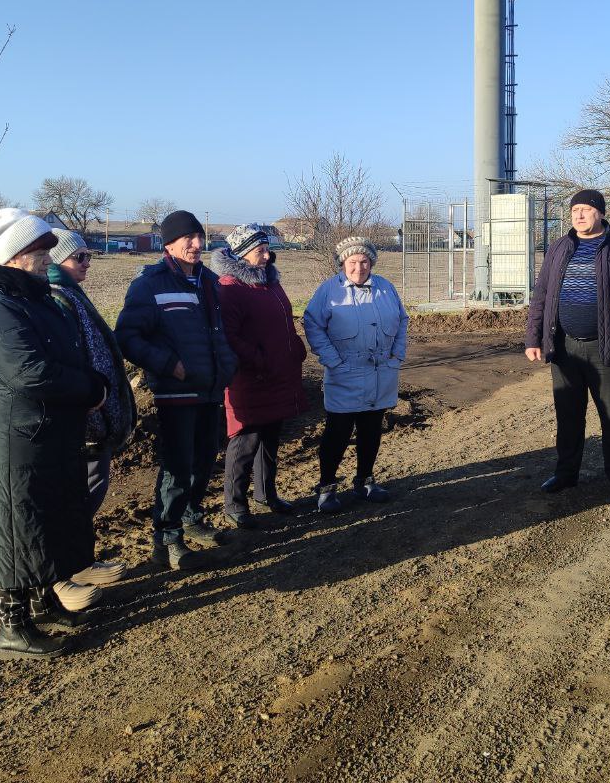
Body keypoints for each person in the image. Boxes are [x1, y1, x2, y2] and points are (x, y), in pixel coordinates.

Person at [0, 208, 107, 660]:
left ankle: (44, 606)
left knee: (47, 518)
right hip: (14, 437)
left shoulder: (34, 297)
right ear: (15, 253)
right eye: (40, 250)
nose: (48, 257)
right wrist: (90, 389)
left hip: (47, 430)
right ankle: (13, 628)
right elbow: (29, 371)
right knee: (14, 525)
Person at [116, 210, 238, 570]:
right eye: (189, 239)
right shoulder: (149, 285)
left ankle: (192, 518)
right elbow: (127, 337)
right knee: (177, 466)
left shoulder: (210, 282)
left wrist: (228, 365)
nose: (197, 245)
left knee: (203, 460)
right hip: (176, 392)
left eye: (199, 237)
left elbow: (221, 333)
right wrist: (171, 366)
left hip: (211, 388)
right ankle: (166, 538)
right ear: (169, 243)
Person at [525, 189, 610, 502]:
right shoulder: (560, 247)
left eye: (586, 210)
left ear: (600, 212)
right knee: (568, 415)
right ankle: (565, 473)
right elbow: (542, 294)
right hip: (565, 347)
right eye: (575, 211)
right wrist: (533, 337)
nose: (579, 215)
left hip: (607, 346)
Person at [48, 228, 138, 595]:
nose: (87, 263)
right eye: (79, 257)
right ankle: (59, 575)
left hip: (96, 413)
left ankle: (80, 561)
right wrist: (91, 398)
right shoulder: (56, 298)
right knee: (74, 498)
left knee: (91, 491)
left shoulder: (71, 293)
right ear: (56, 261)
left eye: (88, 255)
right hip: (83, 416)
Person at [212, 223, 309, 529]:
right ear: (242, 254)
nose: (268, 256)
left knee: (270, 439)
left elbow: (283, 322)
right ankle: (234, 503)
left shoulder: (270, 282)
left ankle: (266, 493)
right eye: (260, 251)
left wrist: (295, 346)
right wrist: (259, 359)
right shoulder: (230, 288)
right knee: (245, 442)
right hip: (250, 379)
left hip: (278, 374)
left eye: (267, 249)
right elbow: (230, 336)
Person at [303, 236, 408, 513]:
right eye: (352, 262)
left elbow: (402, 320)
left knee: (371, 430)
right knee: (337, 432)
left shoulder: (385, 288)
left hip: (380, 371)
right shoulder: (329, 291)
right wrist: (332, 361)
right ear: (343, 263)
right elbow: (312, 324)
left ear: (371, 262)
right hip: (345, 372)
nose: (359, 268)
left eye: (364, 261)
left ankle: (364, 481)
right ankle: (326, 488)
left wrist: (397, 355)